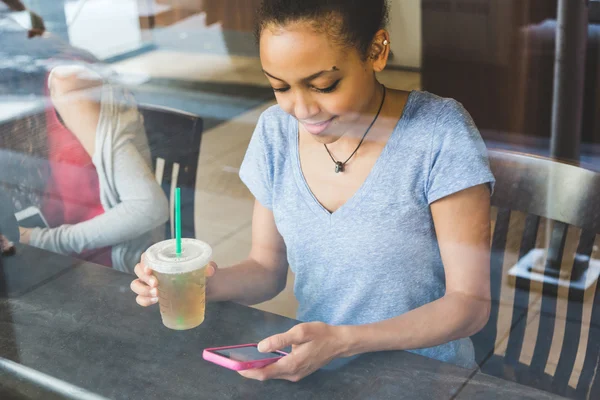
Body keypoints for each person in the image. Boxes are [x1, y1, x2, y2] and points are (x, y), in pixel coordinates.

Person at [131, 0, 495, 381]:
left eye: (324, 85)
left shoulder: (438, 131)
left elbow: (469, 304)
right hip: (318, 373)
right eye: (279, 86)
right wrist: (196, 283)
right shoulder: (275, 133)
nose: (301, 109)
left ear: (376, 50)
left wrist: (343, 340)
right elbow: (266, 270)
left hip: (427, 379)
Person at [0, 3, 169, 272]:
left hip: (104, 266)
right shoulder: (15, 93)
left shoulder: (67, 82)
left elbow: (148, 208)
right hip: (55, 257)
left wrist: (39, 240)